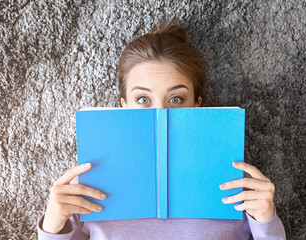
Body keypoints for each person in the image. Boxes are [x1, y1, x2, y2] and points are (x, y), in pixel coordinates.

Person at [37, 23, 286, 239]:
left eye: (176, 99)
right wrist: (52, 225)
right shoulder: (89, 184)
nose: (160, 112)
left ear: (197, 104)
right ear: (123, 106)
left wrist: (266, 221)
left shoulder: (238, 185)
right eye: (143, 99)